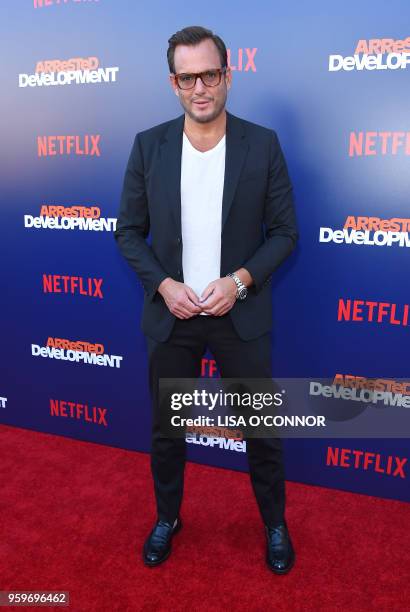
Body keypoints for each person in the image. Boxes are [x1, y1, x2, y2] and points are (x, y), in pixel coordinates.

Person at [114, 25, 298, 574]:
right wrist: (165, 286)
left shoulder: (261, 144)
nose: (200, 87)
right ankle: (168, 517)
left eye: (210, 74)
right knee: (166, 430)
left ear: (227, 75)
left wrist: (239, 280)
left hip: (237, 314)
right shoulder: (149, 145)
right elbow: (128, 231)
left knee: (262, 431)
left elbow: (286, 232)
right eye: (187, 76)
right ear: (174, 83)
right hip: (172, 317)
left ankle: (275, 524)